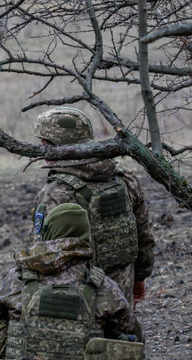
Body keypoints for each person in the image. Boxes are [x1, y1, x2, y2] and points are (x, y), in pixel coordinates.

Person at [0, 203, 142, 360]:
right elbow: (133, 334)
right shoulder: (103, 285)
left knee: (1, 323)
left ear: (50, 232)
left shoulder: (17, 277)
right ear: (86, 234)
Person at [30, 107, 155, 311]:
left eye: (43, 143)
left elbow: (44, 256)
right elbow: (144, 237)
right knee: (123, 342)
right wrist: (140, 278)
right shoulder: (125, 179)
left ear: (51, 146)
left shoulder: (56, 193)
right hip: (121, 293)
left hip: (75, 303)